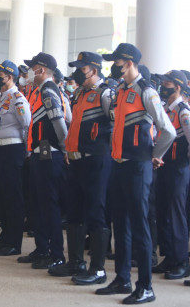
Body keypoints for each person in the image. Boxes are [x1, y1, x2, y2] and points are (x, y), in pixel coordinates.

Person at [96, 43, 175, 305]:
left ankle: (146, 286)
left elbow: (168, 130)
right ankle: (122, 279)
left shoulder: (146, 91)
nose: (113, 66)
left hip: (138, 167)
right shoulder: (121, 89)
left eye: (116, 62)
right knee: (120, 223)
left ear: (129, 63)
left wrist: (155, 155)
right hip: (119, 164)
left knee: (140, 227)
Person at [49, 52, 113, 285]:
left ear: (94, 70)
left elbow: (116, 125)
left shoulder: (105, 93)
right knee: (75, 211)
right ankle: (75, 261)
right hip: (75, 159)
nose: (77, 72)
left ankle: (98, 269)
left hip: (97, 160)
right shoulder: (79, 93)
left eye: (82, 68)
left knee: (96, 212)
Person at [17, 52, 68, 270]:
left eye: (32, 67)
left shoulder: (49, 89)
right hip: (39, 152)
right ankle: (41, 248)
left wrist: (65, 147)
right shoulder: (39, 91)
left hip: (50, 153)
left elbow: (61, 121)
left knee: (49, 205)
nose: (28, 72)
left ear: (41, 70)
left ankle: (55, 253)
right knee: (37, 204)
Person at [0, 60, 31, 256]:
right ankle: (4, 237)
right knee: (2, 197)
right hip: (0, 151)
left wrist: (26, 153)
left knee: (13, 197)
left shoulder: (18, 98)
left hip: (13, 151)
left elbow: (27, 125)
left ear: (9, 77)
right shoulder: (3, 97)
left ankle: (14, 242)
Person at [153, 70, 190, 280]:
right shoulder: (166, 110)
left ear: (177, 87)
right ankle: (169, 256)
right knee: (164, 212)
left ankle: (181, 260)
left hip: (179, 169)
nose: (162, 86)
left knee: (177, 215)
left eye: (166, 84)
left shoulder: (184, 112)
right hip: (164, 167)